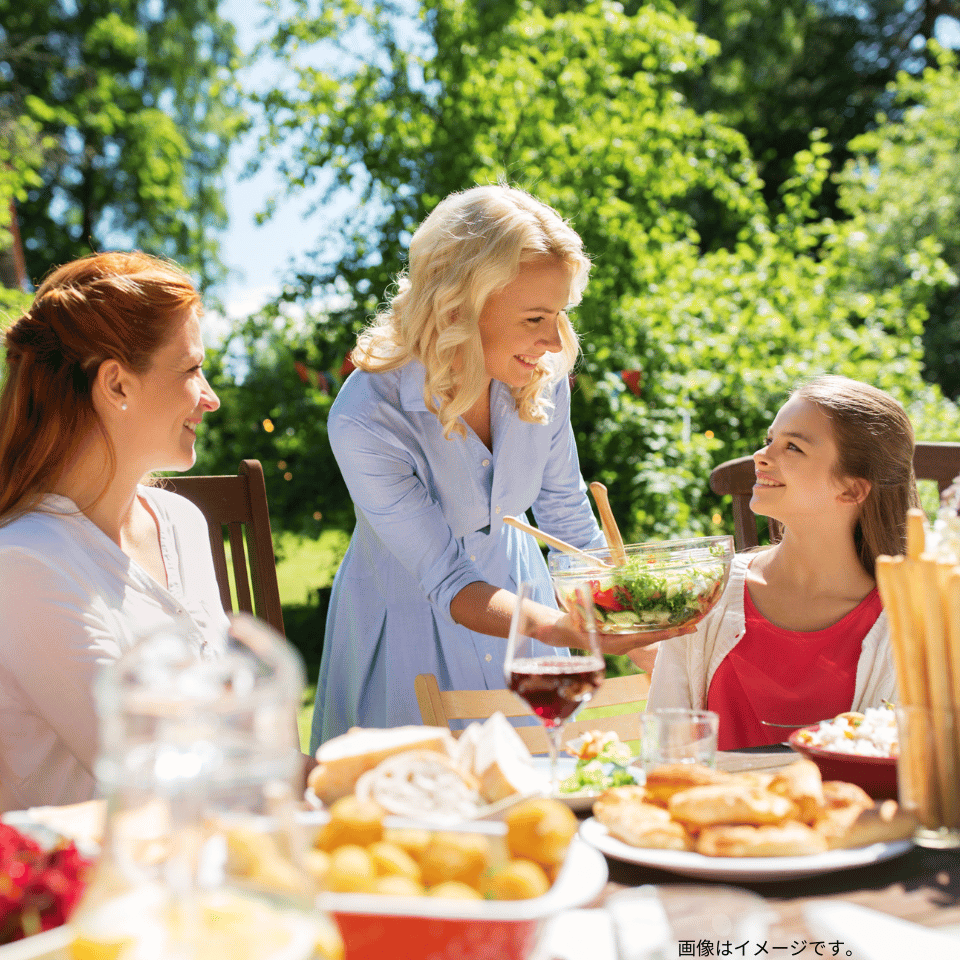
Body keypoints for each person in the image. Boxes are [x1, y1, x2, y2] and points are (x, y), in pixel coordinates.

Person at [310, 184, 661, 747]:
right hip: (408, 622)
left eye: (559, 315)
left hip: (524, 607)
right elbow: (448, 581)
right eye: (535, 318)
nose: (553, 341)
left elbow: (569, 525)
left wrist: (642, 640)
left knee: (536, 796)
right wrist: (565, 627)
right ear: (460, 304)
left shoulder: (540, 379)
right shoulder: (366, 416)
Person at [0, 251, 227, 811]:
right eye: (191, 370)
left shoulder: (180, 523)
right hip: (91, 887)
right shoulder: (25, 563)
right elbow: (154, 777)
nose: (211, 397)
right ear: (116, 385)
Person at [647, 375, 920, 749]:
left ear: (852, 488)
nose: (762, 456)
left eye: (793, 447)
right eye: (769, 440)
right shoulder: (708, 597)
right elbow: (664, 749)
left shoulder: (903, 624)